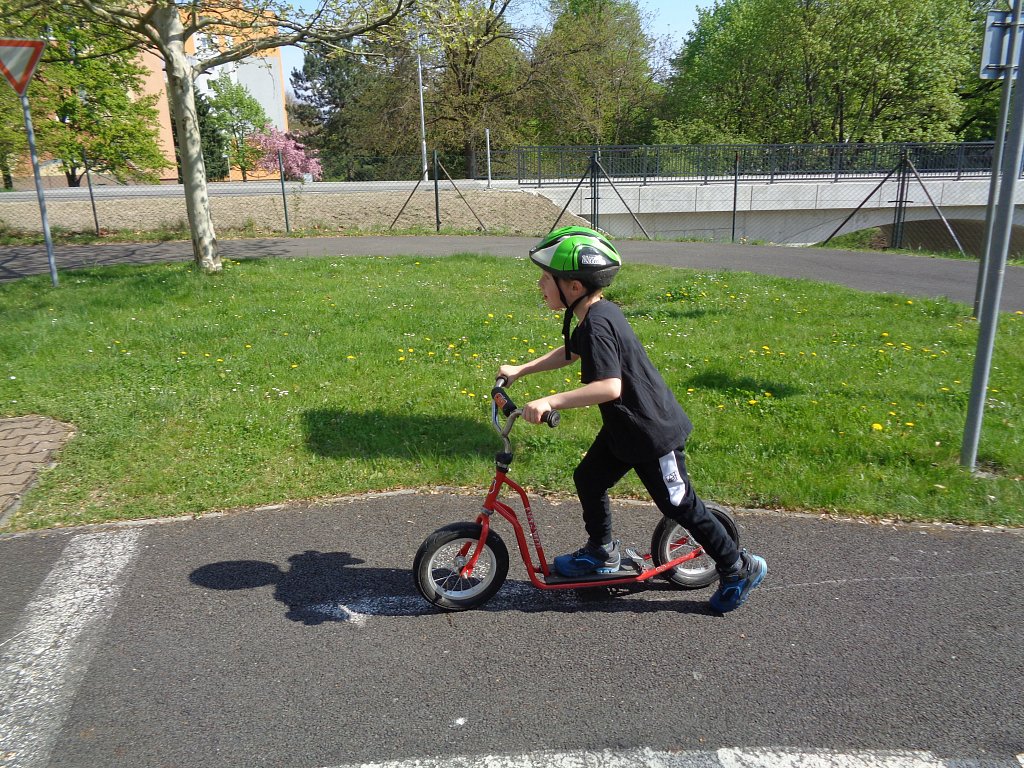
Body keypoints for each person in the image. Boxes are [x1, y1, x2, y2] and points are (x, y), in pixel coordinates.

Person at [497, 226, 766, 613]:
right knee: (589, 478)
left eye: (545, 277)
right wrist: (522, 369)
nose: (540, 284)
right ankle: (601, 551)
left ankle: (737, 567)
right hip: (625, 430)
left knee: (680, 505)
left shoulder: (598, 323)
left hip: (652, 433)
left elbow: (609, 387)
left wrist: (549, 401)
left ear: (573, 286)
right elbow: (571, 352)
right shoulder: (594, 315)